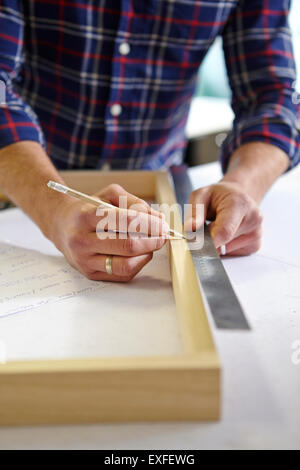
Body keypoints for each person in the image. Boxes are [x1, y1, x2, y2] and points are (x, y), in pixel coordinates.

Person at [0, 1, 299, 282]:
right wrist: (54, 212)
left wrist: (243, 185)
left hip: (162, 185)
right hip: (20, 187)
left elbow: (273, 97)